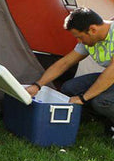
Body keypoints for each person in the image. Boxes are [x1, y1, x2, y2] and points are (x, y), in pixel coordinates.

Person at [24, 7, 114, 139]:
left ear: (93, 30)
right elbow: (65, 63)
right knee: (69, 88)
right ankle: (95, 118)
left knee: (101, 102)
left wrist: (84, 98)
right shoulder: (90, 38)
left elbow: (110, 74)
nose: (79, 41)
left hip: (111, 76)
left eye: (79, 37)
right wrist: (38, 85)